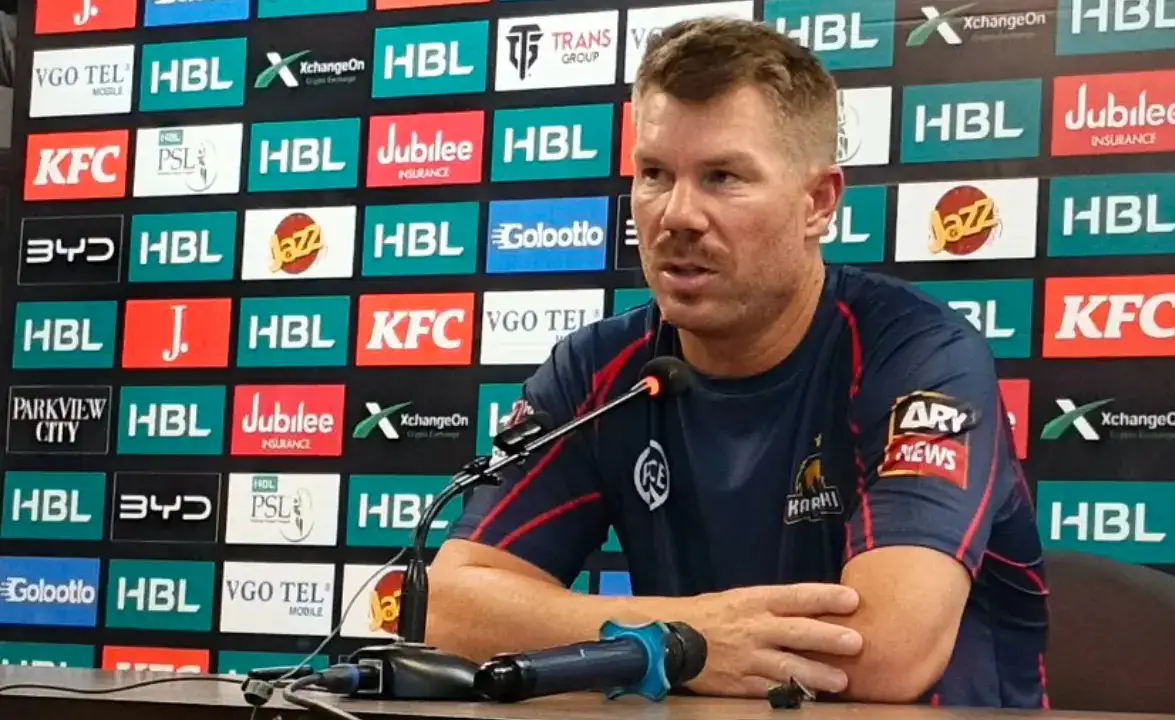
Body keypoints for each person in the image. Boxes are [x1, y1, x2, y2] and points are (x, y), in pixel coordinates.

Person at [430, 17, 1047, 708]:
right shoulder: (601, 368)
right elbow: (447, 608)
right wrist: (684, 636)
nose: (677, 215)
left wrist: (668, 643)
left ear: (818, 202)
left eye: (722, 177)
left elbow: (884, 654)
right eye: (655, 174)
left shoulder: (918, 356)